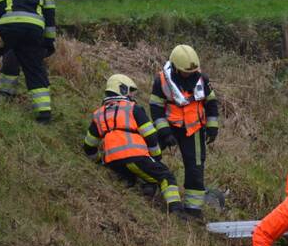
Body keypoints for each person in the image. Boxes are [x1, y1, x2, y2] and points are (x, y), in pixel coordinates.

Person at [83, 73, 184, 215]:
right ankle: (176, 211)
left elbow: (89, 146)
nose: (131, 95)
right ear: (122, 90)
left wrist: (100, 161)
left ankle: (145, 189)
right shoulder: (133, 108)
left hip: (112, 162)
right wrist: (156, 157)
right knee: (166, 176)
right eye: (130, 91)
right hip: (136, 157)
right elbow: (151, 136)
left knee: (136, 175)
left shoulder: (99, 114)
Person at [149, 44, 219, 220]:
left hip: (193, 129)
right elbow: (156, 108)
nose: (190, 74)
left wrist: (212, 127)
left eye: (193, 71)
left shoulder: (202, 79)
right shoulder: (162, 82)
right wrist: (165, 132)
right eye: (186, 72)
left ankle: (193, 209)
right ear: (175, 68)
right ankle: (147, 185)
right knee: (150, 151)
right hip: (169, 126)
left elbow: (211, 102)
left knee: (195, 167)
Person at [0, 0, 46, 97]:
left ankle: (7, 93)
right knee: (12, 59)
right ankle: (6, 93)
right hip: (19, 25)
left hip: (30, 27)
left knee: (31, 65)